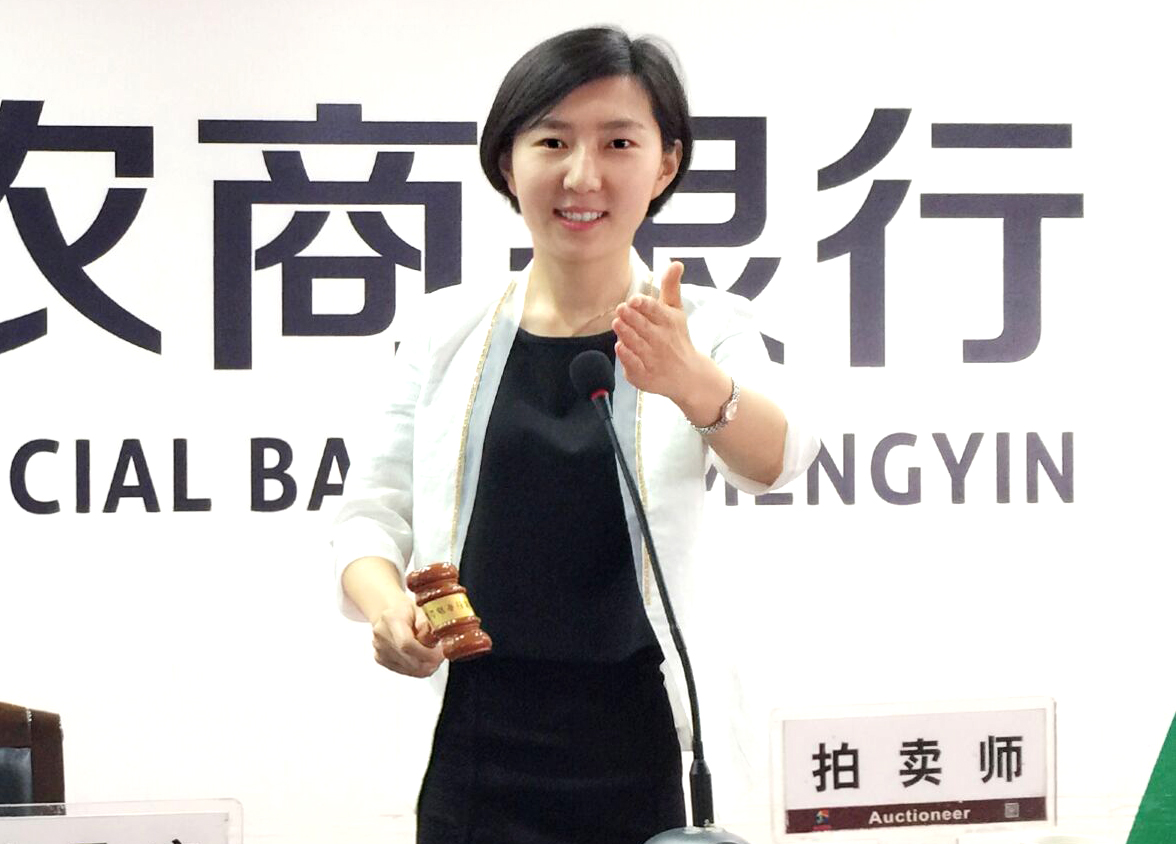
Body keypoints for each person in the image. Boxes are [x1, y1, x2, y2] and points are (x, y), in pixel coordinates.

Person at [332, 26, 819, 844]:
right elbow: (367, 517)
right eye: (552, 141)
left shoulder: (703, 326)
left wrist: (689, 379)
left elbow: (780, 458)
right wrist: (387, 612)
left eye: (619, 142)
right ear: (507, 162)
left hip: (645, 748)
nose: (582, 175)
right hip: (476, 746)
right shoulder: (444, 332)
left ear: (665, 164)